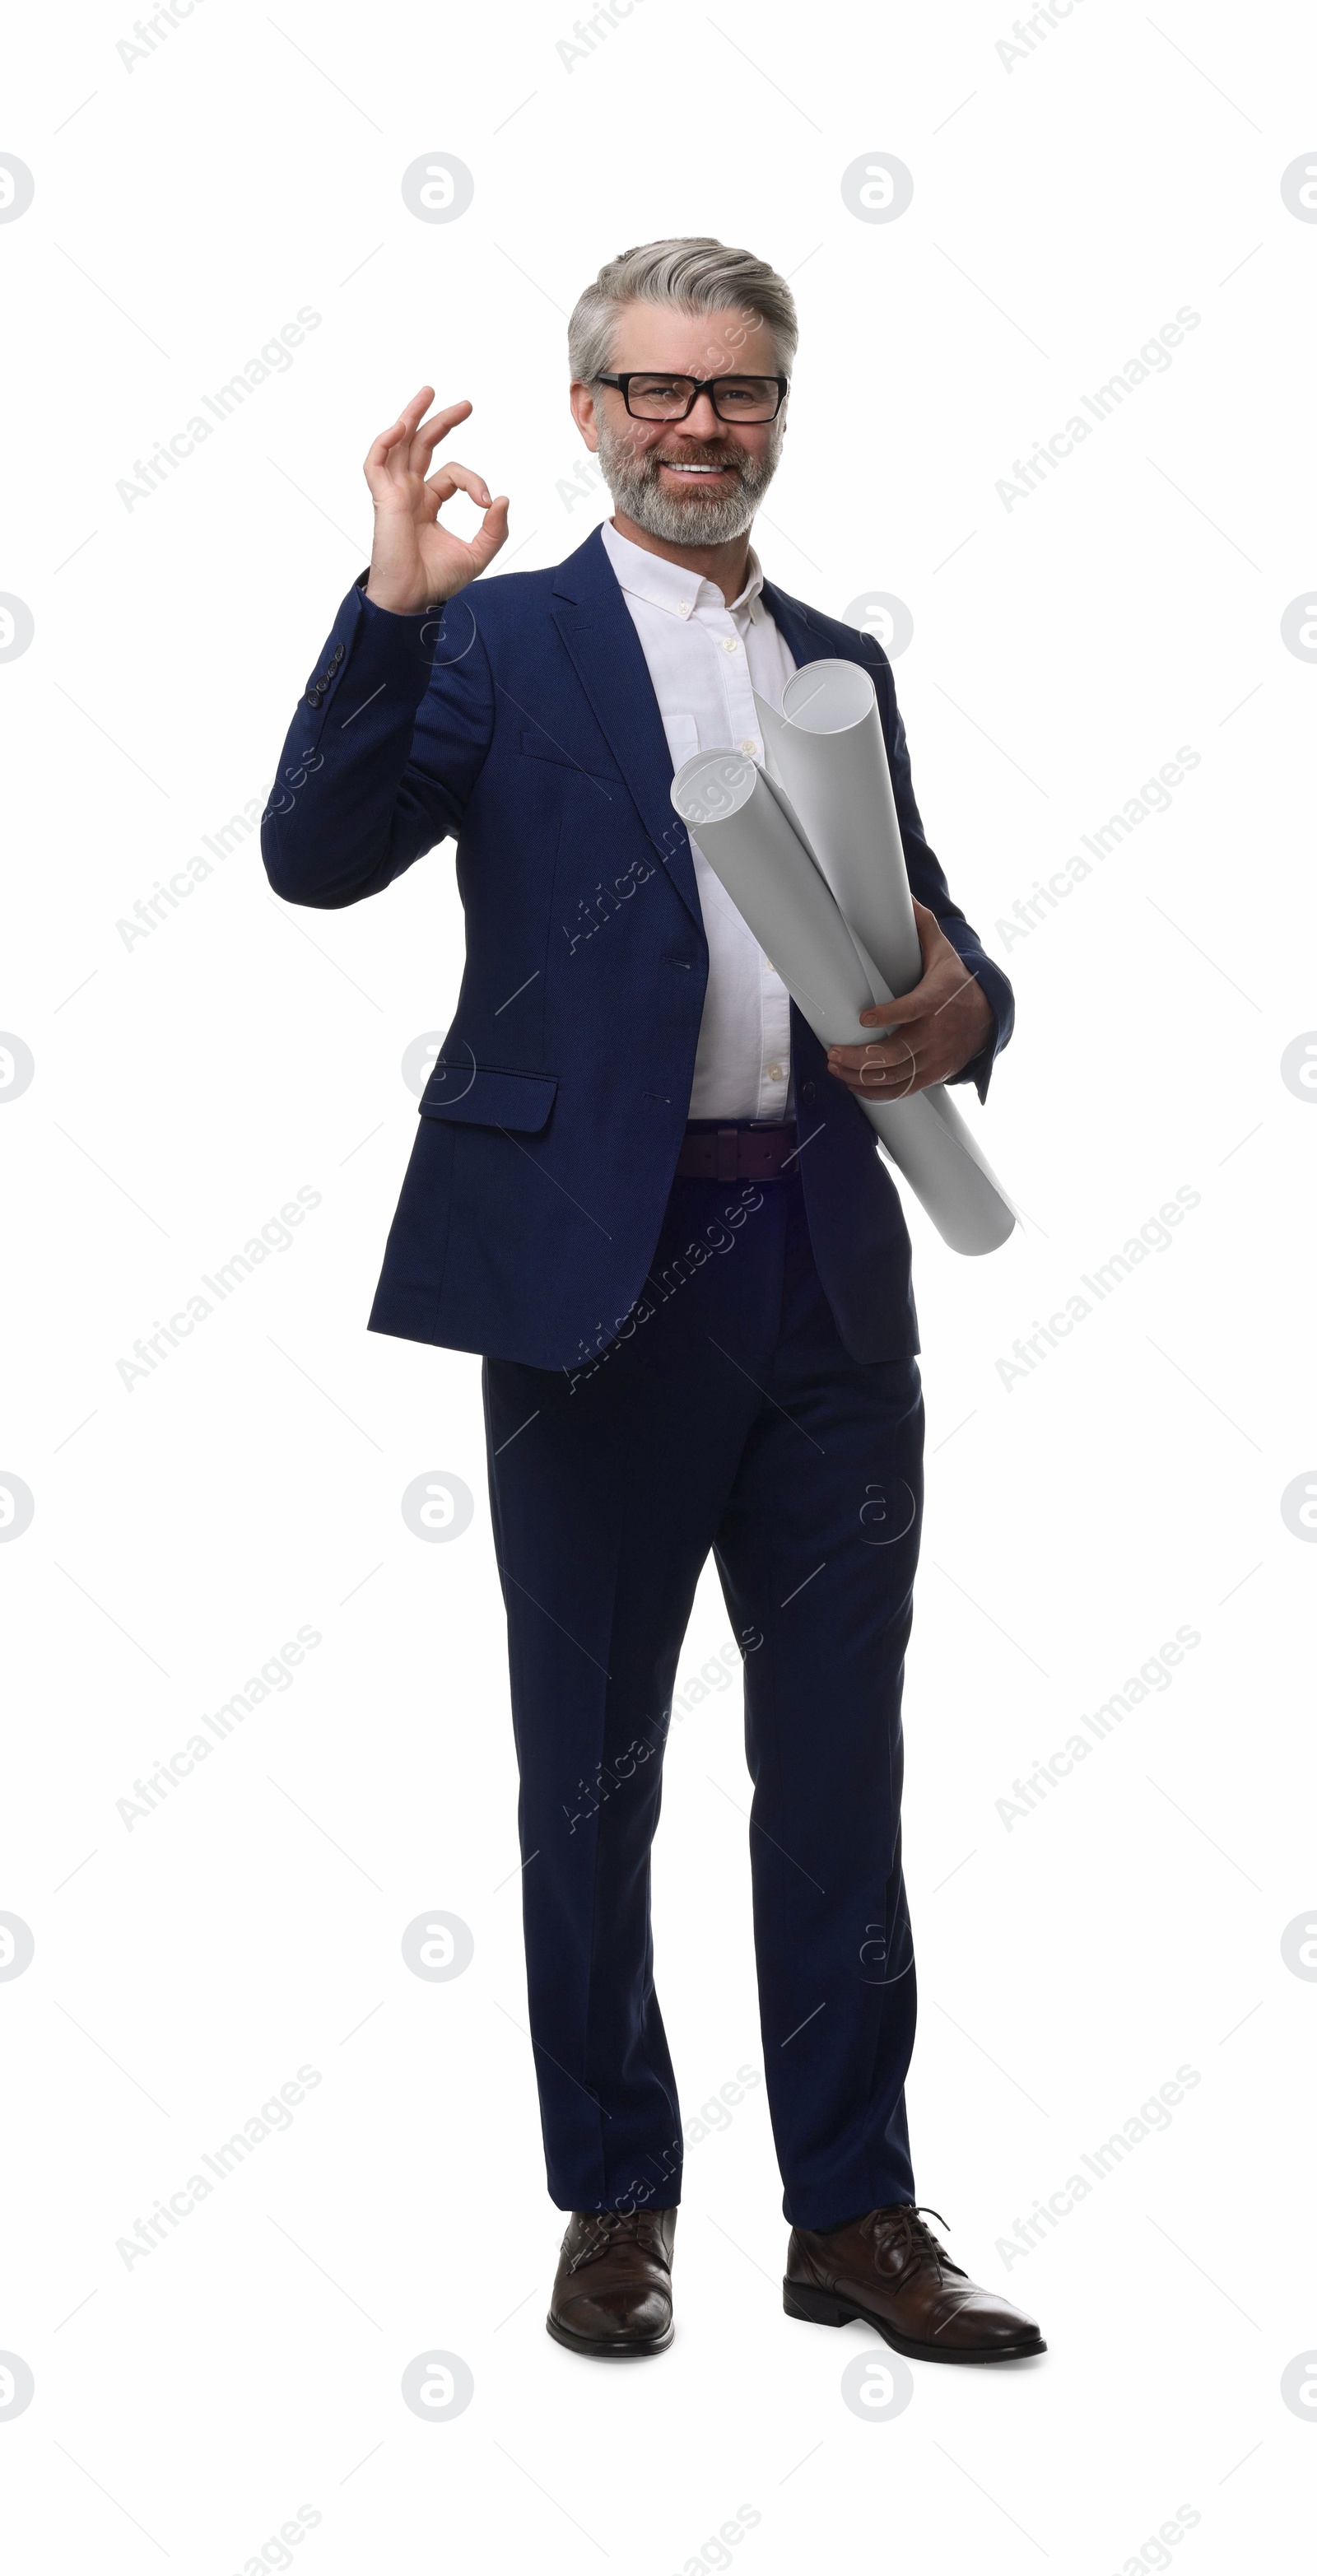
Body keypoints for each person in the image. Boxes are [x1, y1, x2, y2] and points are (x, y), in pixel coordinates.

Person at [262, 236, 1045, 2368]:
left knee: (837, 1760)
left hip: (823, 1270)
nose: (703, 426)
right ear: (594, 407)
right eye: (660, 391)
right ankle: (617, 2193)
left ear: (781, 410)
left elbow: (929, 946)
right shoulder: (497, 644)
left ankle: (856, 2209)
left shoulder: (839, 664)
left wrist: (962, 1004)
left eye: (742, 391)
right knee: (590, 1765)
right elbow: (315, 855)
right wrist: (391, 605)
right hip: (595, 1271)